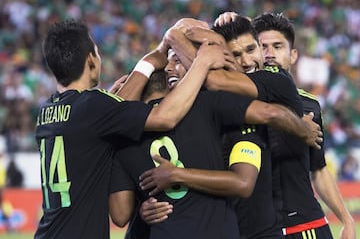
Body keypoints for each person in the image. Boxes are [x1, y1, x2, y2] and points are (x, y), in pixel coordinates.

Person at [34, 18, 232, 239]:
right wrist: (201, 63)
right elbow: (165, 117)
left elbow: (107, 112)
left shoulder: (47, 112)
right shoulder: (93, 106)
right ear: (91, 59)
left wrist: (151, 59)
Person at [109, 45, 322, 239]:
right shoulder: (207, 104)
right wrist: (304, 130)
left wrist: (143, 207)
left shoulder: (123, 139)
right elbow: (270, 115)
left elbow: (119, 215)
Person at [251, 12, 355, 239]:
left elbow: (318, 169)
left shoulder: (310, 104)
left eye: (278, 46)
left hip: (307, 226)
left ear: (293, 55)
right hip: (257, 228)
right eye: (262, 46)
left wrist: (346, 219)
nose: (269, 54)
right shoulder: (236, 103)